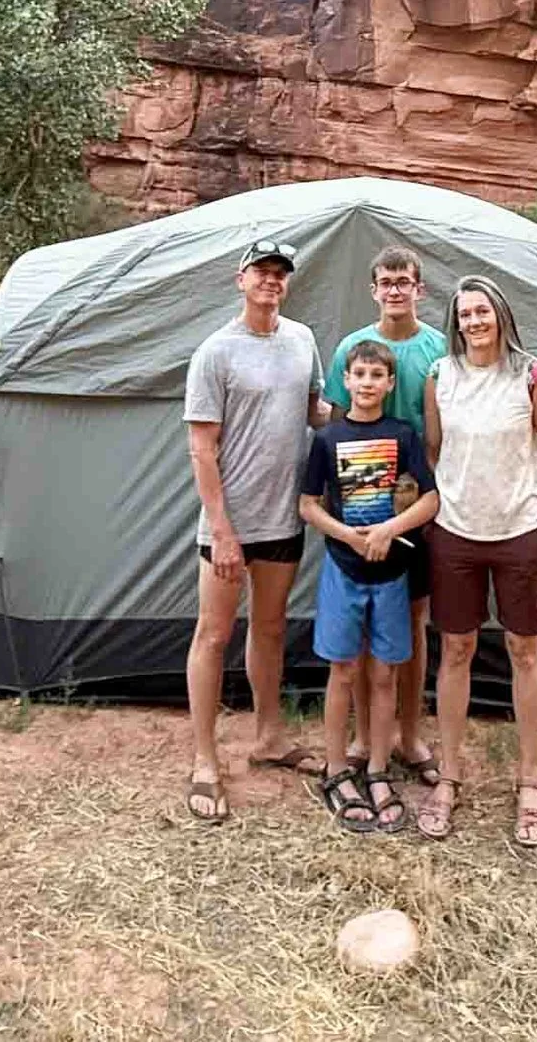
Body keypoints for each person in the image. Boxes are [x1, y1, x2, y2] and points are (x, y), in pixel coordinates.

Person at [181, 236, 330, 823]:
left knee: (268, 629)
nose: (271, 280)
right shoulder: (215, 353)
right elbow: (201, 447)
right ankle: (204, 759)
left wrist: (368, 411)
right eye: (261, 271)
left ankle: (269, 739)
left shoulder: (303, 340)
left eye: (279, 273)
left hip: (281, 518)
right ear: (239, 279)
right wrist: (221, 530)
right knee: (212, 636)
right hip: (229, 523)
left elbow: (316, 410)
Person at [419, 274, 537, 848]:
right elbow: (435, 451)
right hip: (456, 534)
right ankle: (449, 776)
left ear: (501, 316)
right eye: (465, 314)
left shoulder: (530, 376)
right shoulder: (442, 377)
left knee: (522, 650)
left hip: (520, 534)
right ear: (455, 322)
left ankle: (530, 781)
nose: (475, 322)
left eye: (483, 312)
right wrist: (441, 511)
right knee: (455, 650)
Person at [298, 339, 440, 833]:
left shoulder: (402, 436)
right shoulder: (327, 439)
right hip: (344, 568)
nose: (366, 384)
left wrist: (387, 532)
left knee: (383, 676)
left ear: (389, 383)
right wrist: (349, 537)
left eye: (376, 376)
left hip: (393, 574)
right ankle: (337, 768)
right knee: (342, 672)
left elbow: (429, 501)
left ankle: (378, 768)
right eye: (358, 375)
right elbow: (309, 504)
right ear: (347, 381)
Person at [319, 245, 448, 784]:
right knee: (360, 632)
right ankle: (363, 738)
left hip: (416, 509)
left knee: (411, 624)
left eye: (405, 281)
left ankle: (410, 735)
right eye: (386, 281)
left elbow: (445, 424)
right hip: (356, 512)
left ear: (420, 289)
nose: (395, 289)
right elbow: (331, 416)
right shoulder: (353, 348)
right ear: (373, 289)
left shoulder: (439, 348)